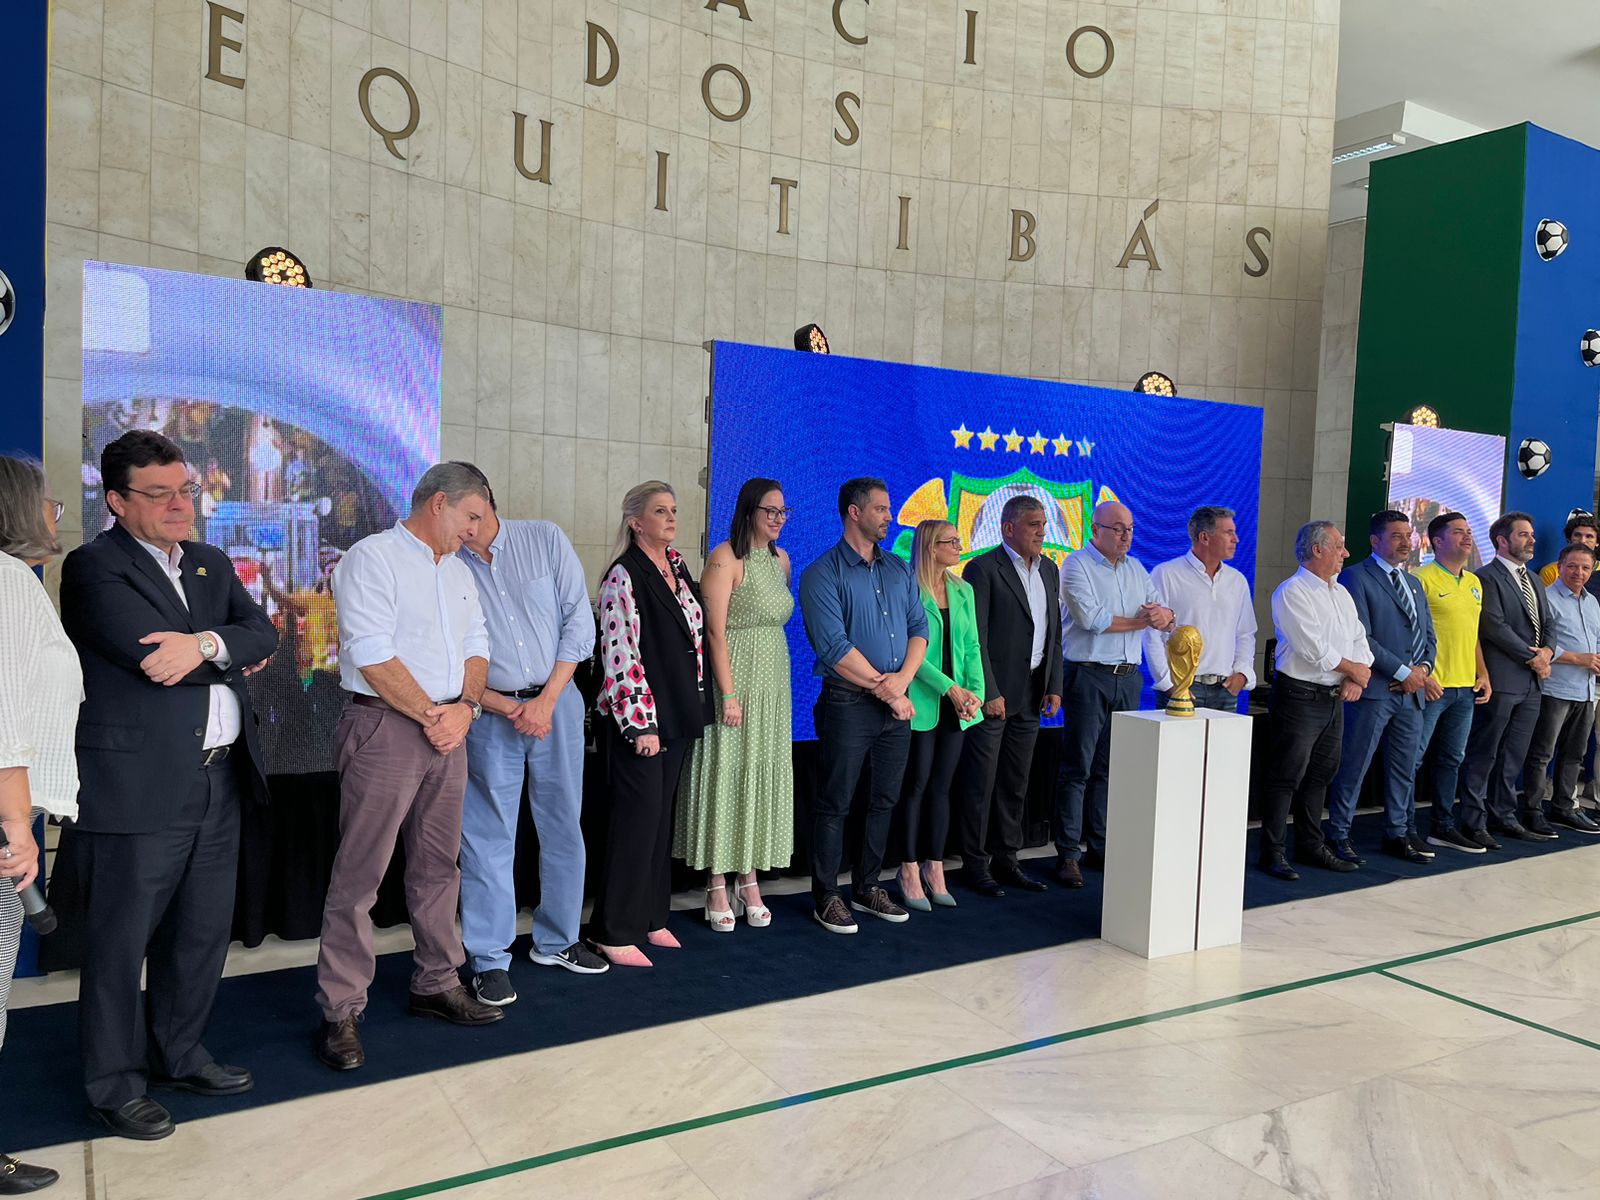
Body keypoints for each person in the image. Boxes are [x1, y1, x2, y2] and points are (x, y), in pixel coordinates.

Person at [55, 431, 277, 1139]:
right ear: (117, 502)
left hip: (219, 781)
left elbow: (262, 633)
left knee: (200, 933)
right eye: (160, 494)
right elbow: (153, 660)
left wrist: (205, 645)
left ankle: (180, 1052)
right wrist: (220, 648)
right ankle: (114, 1085)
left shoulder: (209, 563)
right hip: (136, 785)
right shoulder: (94, 568)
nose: (181, 504)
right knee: (121, 944)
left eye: (185, 490)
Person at [315, 463, 501, 1074]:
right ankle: (340, 1008)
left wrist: (465, 709)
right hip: (386, 728)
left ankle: (435, 982)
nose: (476, 532)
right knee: (361, 873)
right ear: (439, 503)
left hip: (450, 729)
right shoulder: (373, 558)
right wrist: (433, 713)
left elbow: (479, 645)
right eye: (471, 517)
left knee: (438, 866)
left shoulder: (460, 571)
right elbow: (370, 652)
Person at [455, 465, 607, 1007]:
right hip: (489, 712)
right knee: (489, 833)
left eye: (466, 513)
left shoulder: (544, 538)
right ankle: (490, 958)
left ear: (484, 503)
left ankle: (558, 940)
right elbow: (452, 653)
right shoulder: (449, 565)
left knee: (563, 823)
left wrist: (544, 702)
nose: (461, 525)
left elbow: (580, 624)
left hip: (557, 702)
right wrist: (505, 705)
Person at [591, 482, 714, 965]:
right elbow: (621, 655)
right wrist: (640, 724)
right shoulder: (624, 575)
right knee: (635, 824)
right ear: (635, 522)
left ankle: (650, 917)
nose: (670, 517)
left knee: (660, 822)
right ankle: (612, 929)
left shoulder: (678, 567)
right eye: (659, 511)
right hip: (640, 722)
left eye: (674, 510)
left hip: (678, 714)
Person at [799, 477, 928, 934]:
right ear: (854, 512)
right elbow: (834, 646)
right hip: (847, 703)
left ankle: (868, 885)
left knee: (884, 800)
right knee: (835, 802)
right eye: (880, 509)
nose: (889, 517)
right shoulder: (822, 573)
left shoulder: (898, 569)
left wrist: (904, 683)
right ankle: (827, 895)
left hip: (894, 706)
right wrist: (888, 690)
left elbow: (920, 629)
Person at [0, 457, 80, 1191]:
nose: (57, 512)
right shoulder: (6, 583)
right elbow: (4, 722)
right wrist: (18, 827)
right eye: (50, 501)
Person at [675, 478, 795, 933]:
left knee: (760, 772)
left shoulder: (781, 560)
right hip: (736, 683)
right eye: (771, 511)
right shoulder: (725, 557)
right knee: (728, 771)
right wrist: (727, 694)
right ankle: (717, 882)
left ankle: (750, 880)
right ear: (749, 512)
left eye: (784, 512)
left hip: (773, 686)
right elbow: (714, 633)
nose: (779, 519)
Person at [1053, 501, 1174, 887]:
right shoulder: (1076, 564)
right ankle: (1068, 854)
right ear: (1096, 529)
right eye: (1118, 529)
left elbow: (1164, 614)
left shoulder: (1137, 568)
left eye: (1130, 529)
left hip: (1128, 677)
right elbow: (1093, 621)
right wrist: (1146, 620)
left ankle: (1100, 846)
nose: (1126, 536)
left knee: (1109, 769)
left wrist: (1165, 617)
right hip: (1088, 675)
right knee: (1078, 769)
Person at [955, 495, 1061, 896]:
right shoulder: (982, 569)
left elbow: (1054, 634)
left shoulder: (1049, 569)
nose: (1041, 531)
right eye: (1033, 524)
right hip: (993, 698)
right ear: (1008, 528)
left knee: (1015, 784)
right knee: (980, 783)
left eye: (1043, 524)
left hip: (1034, 695)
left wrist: (1054, 685)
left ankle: (1007, 860)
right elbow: (975, 638)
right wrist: (989, 692)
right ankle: (976, 864)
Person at [1258, 522, 1373, 879]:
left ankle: (1310, 845)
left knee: (1322, 774)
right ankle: (1272, 852)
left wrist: (1357, 676)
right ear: (1318, 550)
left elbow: (1359, 639)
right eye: (1340, 545)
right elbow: (1312, 649)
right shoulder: (1292, 592)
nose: (1346, 552)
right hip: (1300, 697)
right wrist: (1354, 669)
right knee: (1286, 776)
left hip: (1333, 696)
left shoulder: (1340, 593)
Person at [1323, 511, 1438, 865]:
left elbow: (1428, 635)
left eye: (1409, 535)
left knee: (1405, 768)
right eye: (1397, 536)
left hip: (1411, 692)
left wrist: (1423, 669)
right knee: (1355, 765)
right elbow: (1363, 638)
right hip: (1375, 690)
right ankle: (1338, 834)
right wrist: (1404, 671)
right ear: (1375, 541)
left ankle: (1399, 832)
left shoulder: (1414, 582)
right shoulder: (1356, 578)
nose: (1406, 542)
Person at [897, 520, 985, 910]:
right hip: (922, 700)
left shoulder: (963, 589)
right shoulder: (908, 590)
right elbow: (908, 655)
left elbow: (971, 647)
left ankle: (935, 867)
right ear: (932, 547)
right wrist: (949, 688)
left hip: (959, 704)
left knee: (942, 787)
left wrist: (976, 694)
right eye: (952, 541)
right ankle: (909, 868)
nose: (959, 546)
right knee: (915, 786)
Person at [1458, 511, 1557, 846]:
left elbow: (1549, 624)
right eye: (1523, 534)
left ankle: (1504, 815)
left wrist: (1548, 653)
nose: (1531, 539)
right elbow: (1494, 626)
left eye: (1531, 534)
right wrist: (1533, 657)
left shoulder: (1536, 579)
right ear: (1502, 540)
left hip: (1532, 684)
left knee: (1514, 754)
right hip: (1502, 679)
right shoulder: (1485, 577)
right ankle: (1473, 820)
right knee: (1485, 752)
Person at [1413, 512, 1493, 855]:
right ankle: (1402, 828)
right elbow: (1411, 635)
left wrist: (1483, 673)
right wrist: (1424, 675)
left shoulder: (1475, 583)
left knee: (1452, 759)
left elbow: (1472, 634)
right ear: (1437, 541)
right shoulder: (1421, 578)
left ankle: (1442, 827)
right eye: (1458, 532)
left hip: (1464, 688)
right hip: (1432, 687)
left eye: (1469, 532)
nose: (1467, 537)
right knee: (1412, 759)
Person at [1146, 505, 1257, 713]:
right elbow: (1152, 633)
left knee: (1223, 747)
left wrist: (1242, 674)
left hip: (1225, 689)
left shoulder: (1237, 581)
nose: (1236, 539)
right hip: (1181, 687)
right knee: (1176, 747)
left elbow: (1245, 634)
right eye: (1228, 533)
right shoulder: (1166, 574)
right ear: (1204, 538)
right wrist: (1169, 684)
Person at [1522, 543, 1600, 834]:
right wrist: (1578, 658)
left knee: (1574, 755)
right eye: (1572, 566)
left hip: (1586, 690)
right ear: (1560, 565)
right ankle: (1532, 809)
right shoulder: (1546, 598)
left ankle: (1564, 807)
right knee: (1542, 753)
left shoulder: (1591, 602)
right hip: (1555, 689)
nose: (1578, 573)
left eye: (1585, 567)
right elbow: (1539, 645)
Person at [1537, 511, 1600, 586]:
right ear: (1569, 539)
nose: (1582, 541)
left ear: (1597, 542)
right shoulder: (1550, 572)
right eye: (1577, 535)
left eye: (1589, 536)